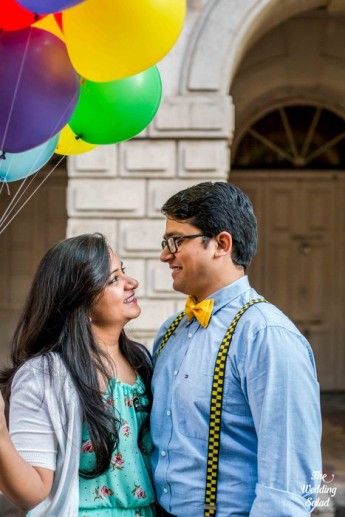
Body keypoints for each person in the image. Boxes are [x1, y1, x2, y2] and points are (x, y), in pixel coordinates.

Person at [151, 182, 322, 517]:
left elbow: (288, 485)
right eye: (164, 242)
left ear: (221, 244)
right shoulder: (169, 332)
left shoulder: (266, 336)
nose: (164, 254)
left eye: (176, 241)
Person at [0, 233, 156, 517]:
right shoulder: (43, 376)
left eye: (124, 271)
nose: (131, 283)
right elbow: (32, 493)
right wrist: (0, 435)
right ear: (80, 303)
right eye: (113, 279)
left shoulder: (143, 362)